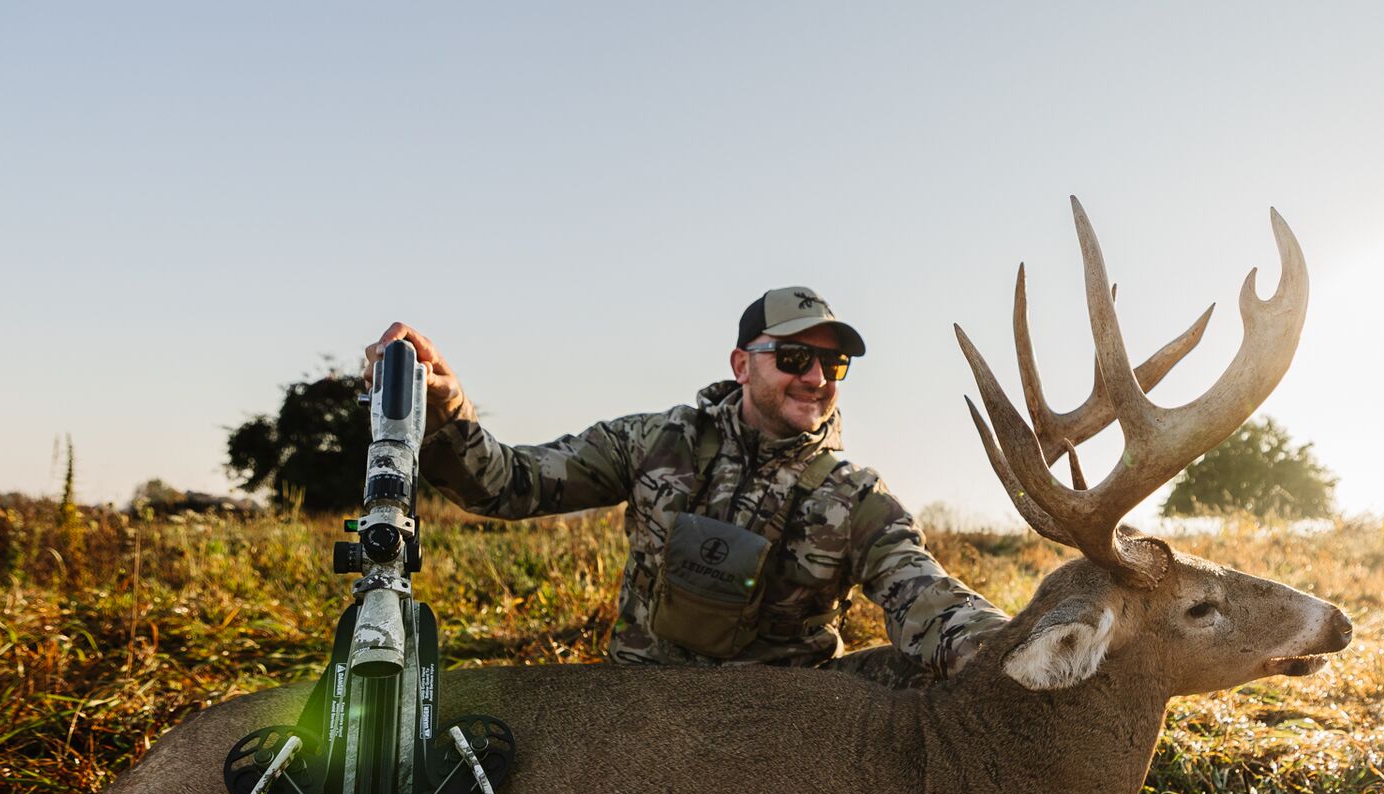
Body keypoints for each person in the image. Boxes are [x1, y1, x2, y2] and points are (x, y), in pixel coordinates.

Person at [365, 287, 1006, 686]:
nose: (815, 377)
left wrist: (1008, 653)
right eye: (792, 358)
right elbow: (509, 486)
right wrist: (446, 411)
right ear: (741, 364)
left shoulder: (858, 498)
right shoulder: (652, 441)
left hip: (775, 736)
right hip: (637, 712)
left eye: (831, 363)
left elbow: (925, 597)